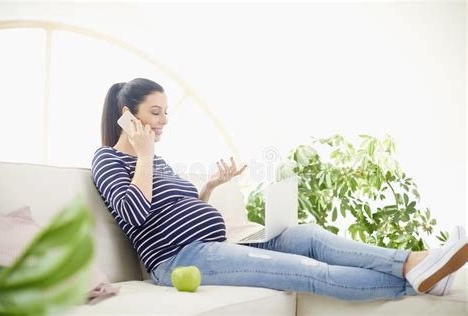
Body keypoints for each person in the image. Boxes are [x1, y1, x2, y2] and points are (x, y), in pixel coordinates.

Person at [91, 78, 467, 301]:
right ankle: (416, 285)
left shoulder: (154, 161)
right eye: (155, 113)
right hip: (179, 261)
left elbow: (171, 212)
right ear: (127, 114)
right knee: (311, 270)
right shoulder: (109, 160)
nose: (164, 121)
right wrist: (143, 153)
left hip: (220, 245)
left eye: (166, 112)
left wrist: (207, 188)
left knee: (308, 236)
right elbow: (136, 214)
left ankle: (413, 261)